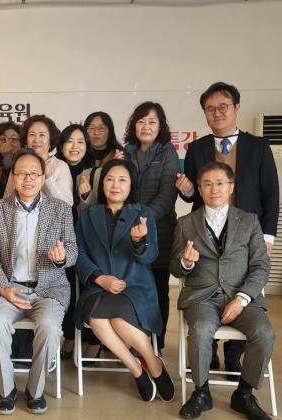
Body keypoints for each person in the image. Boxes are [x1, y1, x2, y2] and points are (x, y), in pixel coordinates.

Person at [175, 81, 279, 375]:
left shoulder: (258, 146)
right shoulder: (197, 148)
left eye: (223, 107)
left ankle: (235, 355)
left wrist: (267, 236)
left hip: (246, 235)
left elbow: (271, 193)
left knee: (240, 288)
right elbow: (194, 194)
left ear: (236, 108)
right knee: (207, 289)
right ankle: (206, 352)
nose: (217, 113)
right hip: (207, 234)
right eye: (210, 109)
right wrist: (185, 191)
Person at [170, 162, 274, 420]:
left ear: (231, 187)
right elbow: (174, 267)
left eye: (220, 183)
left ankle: (244, 394)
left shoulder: (249, 221)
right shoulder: (185, 223)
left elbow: (261, 265)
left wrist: (242, 299)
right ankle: (201, 392)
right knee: (201, 330)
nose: (214, 189)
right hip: (201, 297)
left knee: (264, 333)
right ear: (199, 189)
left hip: (242, 297)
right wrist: (186, 263)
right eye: (207, 184)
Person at [0, 148, 77, 415]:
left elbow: (73, 251)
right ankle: (7, 390)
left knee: (49, 326)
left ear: (43, 177)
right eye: (21, 173)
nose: (28, 179)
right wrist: (3, 288)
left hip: (48, 289)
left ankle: (35, 391)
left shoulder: (60, 209)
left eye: (34, 174)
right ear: (12, 177)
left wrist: (61, 258)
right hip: (8, 287)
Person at [75, 159, 174, 402]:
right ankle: (137, 368)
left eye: (122, 180)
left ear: (132, 185)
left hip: (135, 287)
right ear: (102, 184)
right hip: (98, 288)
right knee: (97, 315)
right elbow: (79, 254)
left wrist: (139, 241)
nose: (115, 185)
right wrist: (99, 278)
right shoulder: (88, 215)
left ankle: (152, 363)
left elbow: (151, 256)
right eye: (109, 179)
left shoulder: (143, 213)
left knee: (116, 318)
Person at [122, 102, 179, 351]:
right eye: (141, 121)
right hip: (128, 232)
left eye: (152, 122)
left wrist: (140, 220)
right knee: (132, 289)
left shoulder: (168, 153)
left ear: (160, 126)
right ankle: (135, 342)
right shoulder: (126, 152)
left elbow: (167, 197)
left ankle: (157, 346)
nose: (146, 126)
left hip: (159, 233)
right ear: (134, 125)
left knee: (157, 290)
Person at [55, 124, 93, 358]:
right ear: (61, 146)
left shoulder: (94, 171)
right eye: (70, 141)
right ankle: (69, 337)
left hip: (88, 239)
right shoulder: (53, 168)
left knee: (88, 287)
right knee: (66, 287)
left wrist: (86, 196)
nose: (75, 146)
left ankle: (94, 341)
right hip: (61, 240)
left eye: (80, 141)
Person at [3, 115, 72, 206]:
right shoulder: (18, 163)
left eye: (42, 135)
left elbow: (67, 205)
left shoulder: (60, 166)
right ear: (26, 139)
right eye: (32, 134)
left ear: (50, 139)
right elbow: (7, 198)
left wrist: (49, 179)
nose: (36, 139)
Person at [78, 111, 125, 213]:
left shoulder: (119, 154)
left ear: (110, 131)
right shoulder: (79, 153)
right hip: (80, 213)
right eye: (91, 128)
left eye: (101, 128)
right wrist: (74, 136)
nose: (96, 132)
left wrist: (114, 166)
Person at [0, 121, 22, 195]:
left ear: (21, 144)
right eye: (3, 139)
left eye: (13, 139)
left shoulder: (28, 161)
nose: (8, 143)